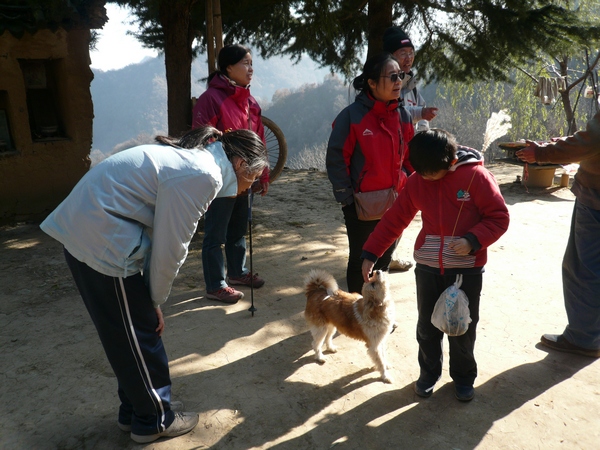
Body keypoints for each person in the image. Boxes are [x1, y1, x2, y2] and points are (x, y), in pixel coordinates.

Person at [40, 126, 268, 443]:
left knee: (125, 334)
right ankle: (154, 420)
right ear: (241, 163)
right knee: (141, 335)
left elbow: (157, 232)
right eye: (252, 180)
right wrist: (154, 302)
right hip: (102, 239)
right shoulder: (204, 175)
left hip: (90, 230)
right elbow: (170, 250)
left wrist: (149, 300)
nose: (247, 190)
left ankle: (134, 411)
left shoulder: (198, 162)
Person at [361, 129, 509, 401]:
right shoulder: (417, 181)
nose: (426, 177)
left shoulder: (476, 177)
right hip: (428, 269)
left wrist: (472, 240)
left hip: (465, 271)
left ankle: (464, 378)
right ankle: (429, 373)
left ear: (451, 161)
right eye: (422, 172)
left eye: (432, 172)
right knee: (427, 328)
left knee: (461, 327)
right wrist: (371, 252)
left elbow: (498, 217)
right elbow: (395, 219)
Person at [326, 51, 415, 293]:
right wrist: (346, 198)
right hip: (361, 205)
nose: (399, 81)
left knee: (384, 259)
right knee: (360, 260)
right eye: (392, 76)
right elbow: (336, 158)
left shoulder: (403, 115)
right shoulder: (351, 117)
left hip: (396, 202)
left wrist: (406, 181)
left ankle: (374, 311)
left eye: (401, 76)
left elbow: (409, 156)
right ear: (372, 83)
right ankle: (356, 312)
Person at [516, 110, 600, 358]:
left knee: (584, 267)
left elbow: (591, 141)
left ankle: (584, 338)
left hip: (595, 197)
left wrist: (541, 153)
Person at [192, 44, 269, 304]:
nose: (251, 68)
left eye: (251, 63)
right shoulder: (210, 99)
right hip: (221, 178)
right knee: (216, 233)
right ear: (228, 68)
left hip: (245, 178)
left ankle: (238, 272)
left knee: (238, 228)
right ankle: (215, 284)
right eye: (245, 63)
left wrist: (263, 175)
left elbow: (259, 141)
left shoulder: (250, 102)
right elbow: (202, 137)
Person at [382, 26, 439, 133]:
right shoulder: (383, 85)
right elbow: (391, 112)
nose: (408, 58)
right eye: (403, 53)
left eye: (411, 52)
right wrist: (420, 113)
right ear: (390, 56)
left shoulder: (411, 84)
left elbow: (421, 108)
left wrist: (423, 134)